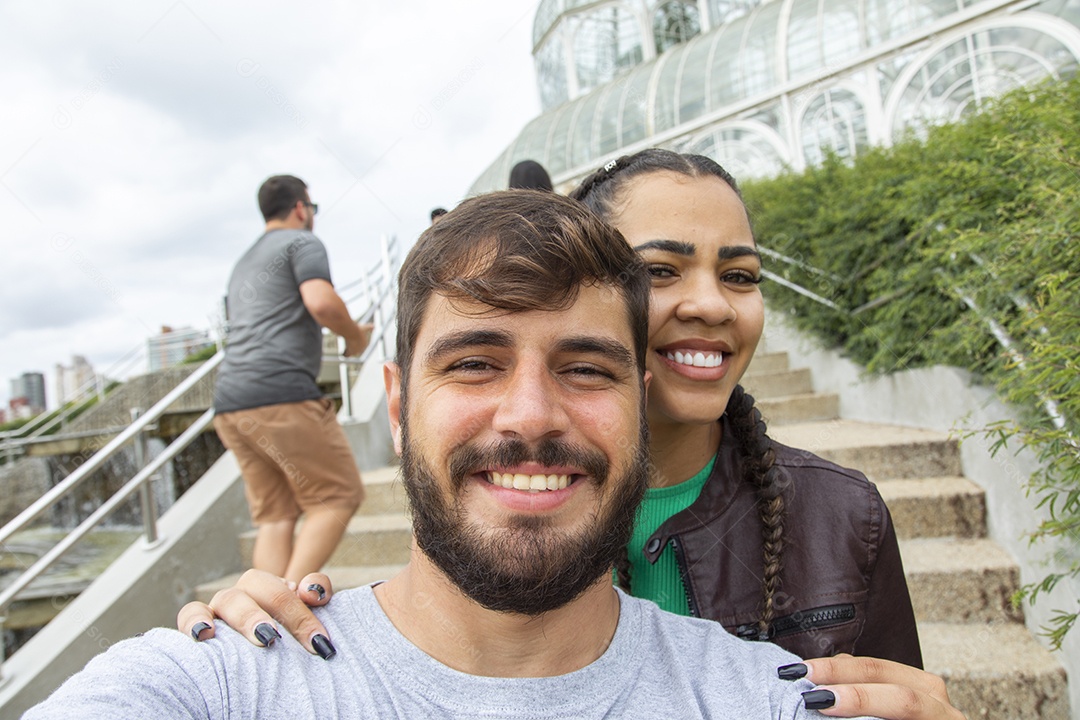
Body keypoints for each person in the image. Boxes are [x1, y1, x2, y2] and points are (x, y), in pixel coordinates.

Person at [25, 191, 869, 719]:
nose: (531, 416)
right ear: (397, 407)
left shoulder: (768, 697)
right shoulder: (210, 686)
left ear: (641, 410)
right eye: (474, 363)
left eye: (585, 369)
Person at [184, 153, 967, 719]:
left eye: (739, 275)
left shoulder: (839, 513)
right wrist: (264, 616)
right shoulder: (514, 514)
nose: (712, 306)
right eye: (659, 271)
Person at [211, 174, 369, 588]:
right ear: (300, 208)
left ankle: (258, 615)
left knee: (277, 515)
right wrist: (354, 337)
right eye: (311, 209)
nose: (311, 216)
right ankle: (284, 604)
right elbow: (319, 301)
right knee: (337, 497)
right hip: (280, 394)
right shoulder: (302, 242)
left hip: (230, 403)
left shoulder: (243, 262)